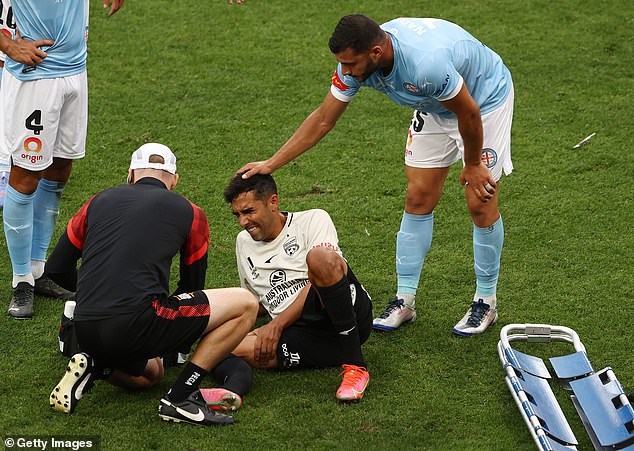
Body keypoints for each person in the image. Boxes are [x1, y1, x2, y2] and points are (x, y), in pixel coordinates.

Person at [239, 15, 514, 336]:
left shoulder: (426, 64)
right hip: (434, 103)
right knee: (418, 197)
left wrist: (472, 163)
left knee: (479, 201)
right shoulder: (357, 64)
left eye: (351, 63)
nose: (346, 70)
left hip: (483, 100)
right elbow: (323, 119)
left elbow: (468, 111)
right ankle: (405, 299)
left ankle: (485, 301)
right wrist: (272, 163)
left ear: (376, 52)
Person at [46, 143, 259, 426]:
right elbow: (192, 286)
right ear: (174, 180)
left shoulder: (97, 201)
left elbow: (56, 270)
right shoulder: (189, 211)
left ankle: (98, 365)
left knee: (152, 375)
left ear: (131, 173)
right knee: (246, 304)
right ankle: (181, 398)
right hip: (137, 322)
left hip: (85, 326)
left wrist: (92, 292)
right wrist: (171, 338)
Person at [0, 0, 125, 319]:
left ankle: (40, 271)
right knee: (27, 175)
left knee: (59, 170)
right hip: (35, 79)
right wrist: (8, 45)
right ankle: (21, 281)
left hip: (75, 73)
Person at [224, 173, 372, 402]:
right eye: (238, 215)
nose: (243, 222)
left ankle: (356, 366)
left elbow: (329, 271)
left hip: (342, 312)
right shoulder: (243, 242)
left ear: (273, 202)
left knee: (320, 258)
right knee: (226, 346)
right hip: (301, 332)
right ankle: (334, 351)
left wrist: (276, 325)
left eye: (249, 211)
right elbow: (255, 301)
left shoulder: (313, 219)